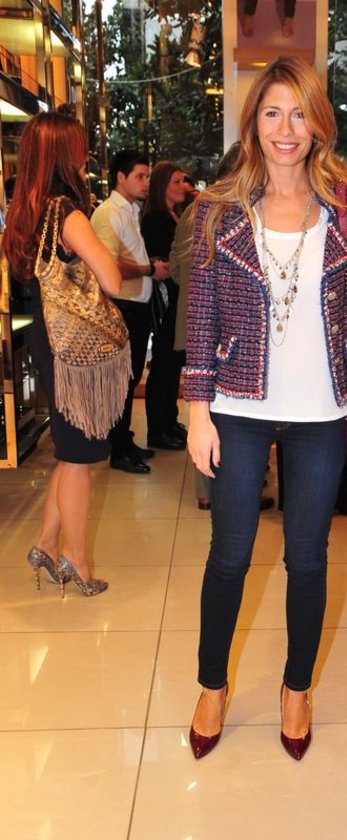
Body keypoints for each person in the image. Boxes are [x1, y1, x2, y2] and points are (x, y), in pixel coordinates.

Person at [184, 55, 347, 761]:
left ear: (317, 125)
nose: (285, 128)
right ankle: (211, 685)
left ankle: (296, 688)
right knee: (230, 555)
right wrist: (196, 409)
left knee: (307, 558)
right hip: (236, 403)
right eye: (272, 112)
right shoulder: (217, 210)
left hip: (320, 410)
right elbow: (201, 315)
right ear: (253, 124)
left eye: (299, 113)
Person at [2, 112, 123, 596]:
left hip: (48, 340)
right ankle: (77, 560)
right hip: (73, 350)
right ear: (61, 155)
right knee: (79, 457)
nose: (85, 156)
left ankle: (47, 544)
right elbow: (112, 278)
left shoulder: (25, 212)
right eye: (78, 148)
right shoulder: (67, 213)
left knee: (71, 451)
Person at [169, 143, 274, 510]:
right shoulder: (220, 210)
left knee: (208, 408)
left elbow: (176, 266)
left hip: (195, 322)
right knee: (211, 409)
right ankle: (223, 489)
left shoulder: (199, 208)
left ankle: (211, 490)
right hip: (216, 327)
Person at [91, 150, 171, 473]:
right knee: (122, 380)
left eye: (147, 176)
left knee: (131, 377)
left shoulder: (130, 211)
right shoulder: (108, 213)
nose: (146, 182)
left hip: (136, 307)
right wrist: (148, 269)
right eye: (139, 176)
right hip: (121, 308)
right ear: (120, 177)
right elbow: (108, 266)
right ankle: (117, 449)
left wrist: (148, 267)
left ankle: (124, 440)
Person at [140, 162, 189, 450]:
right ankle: (157, 429)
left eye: (183, 181)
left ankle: (169, 421)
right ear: (163, 186)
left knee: (172, 363)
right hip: (164, 296)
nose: (183, 186)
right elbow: (158, 261)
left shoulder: (176, 214)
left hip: (176, 294)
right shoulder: (155, 219)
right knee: (163, 362)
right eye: (176, 182)